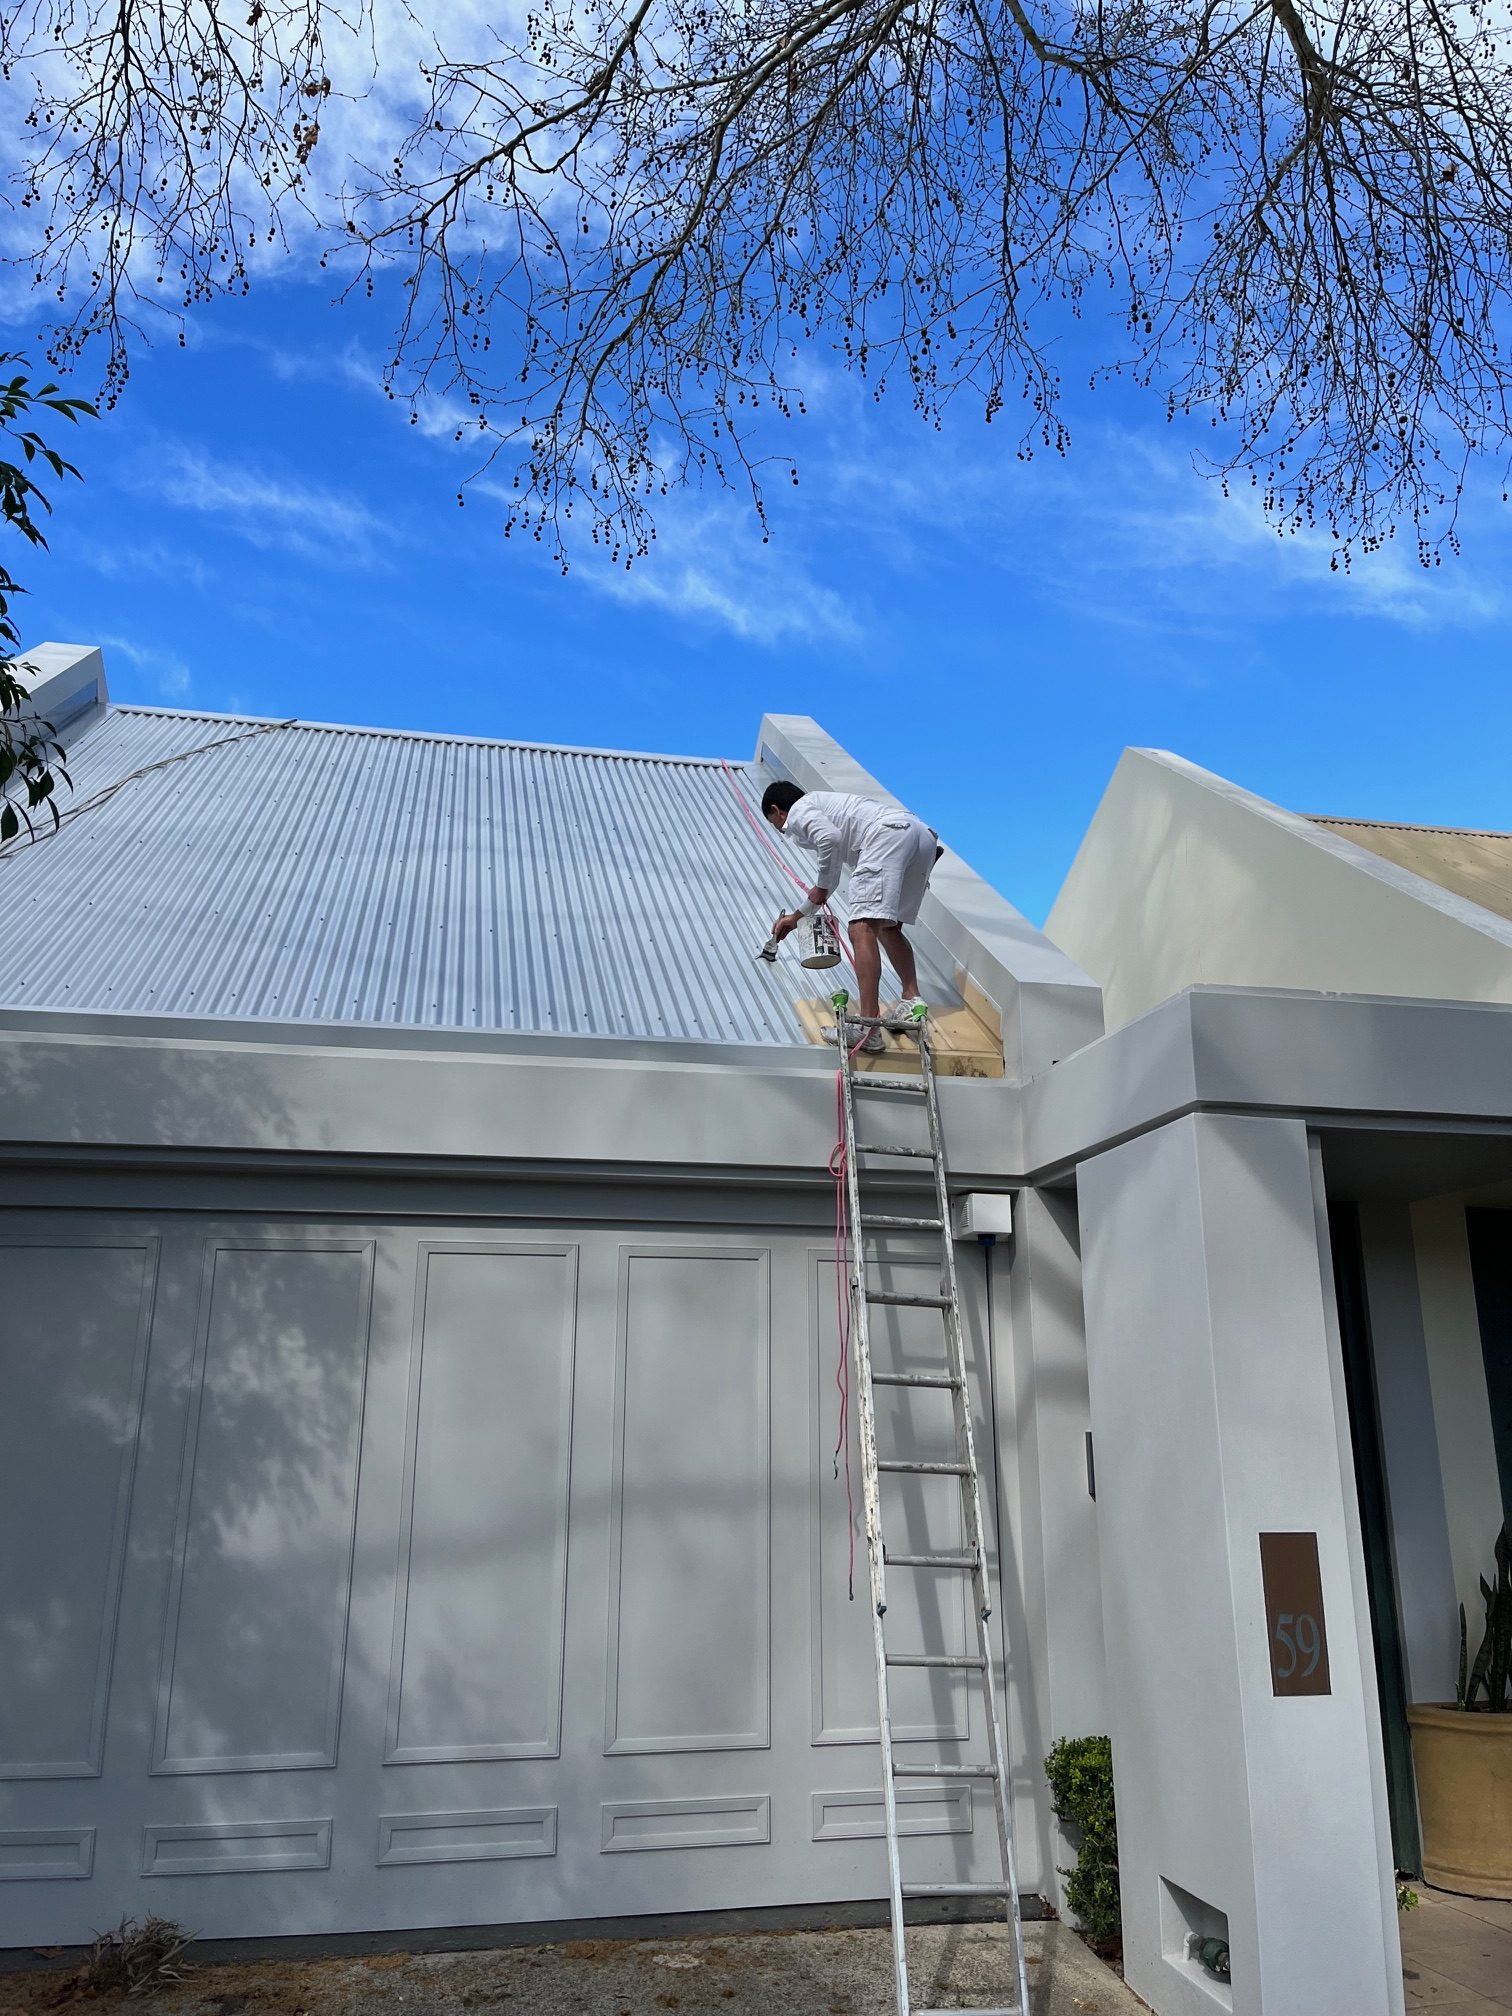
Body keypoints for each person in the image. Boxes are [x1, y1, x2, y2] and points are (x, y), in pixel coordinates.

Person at [761, 781, 941, 1054]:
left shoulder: (799, 810)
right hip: (921, 838)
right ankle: (910, 1001)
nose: (782, 830)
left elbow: (829, 840)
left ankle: (868, 1028)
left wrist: (819, 888)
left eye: (776, 825)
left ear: (778, 811)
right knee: (889, 928)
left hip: (885, 837)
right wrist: (798, 916)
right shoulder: (828, 805)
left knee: (860, 928)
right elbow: (828, 878)